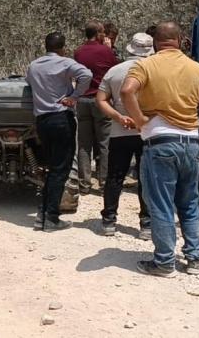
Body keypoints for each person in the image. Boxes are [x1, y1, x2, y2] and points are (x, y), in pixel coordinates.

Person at [121, 22, 199, 277]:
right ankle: (195, 258)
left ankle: (164, 262)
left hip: (159, 143)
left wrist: (140, 119)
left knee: (161, 204)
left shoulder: (145, 65)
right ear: (180, 40)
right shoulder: (196, 68)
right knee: (190, 203)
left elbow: (127, 91)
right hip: (191, 143)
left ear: (155, 42)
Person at [26, 31, 93, 231]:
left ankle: (43, 214)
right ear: (63, 48)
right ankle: (51, 218)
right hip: (61, 118)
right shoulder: (65, 63)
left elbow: (29, 83)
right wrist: (74, 96)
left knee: (52, 168)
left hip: (42, 121)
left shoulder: (34, 65)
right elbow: (87, 75)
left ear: (45, 46)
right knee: (60, 169)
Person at [95, 32, 154, 239]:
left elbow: (101, 99)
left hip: (119, 132)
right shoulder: (155, 70)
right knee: (146, 178)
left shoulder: (115, 71)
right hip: (147, 131)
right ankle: (146, 224)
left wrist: (119, 117)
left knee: (115, 176)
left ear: (130, 48)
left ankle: (109, 220)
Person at [73, 20, 119, 194]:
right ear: (99, 34)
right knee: (104, 142)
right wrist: (109, 49)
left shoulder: (78, 52)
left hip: (82, 100)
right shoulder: (105, 51)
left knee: (84, 144)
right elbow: (115, 70)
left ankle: (84, 183)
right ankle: (104, 181)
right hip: (101, 100)